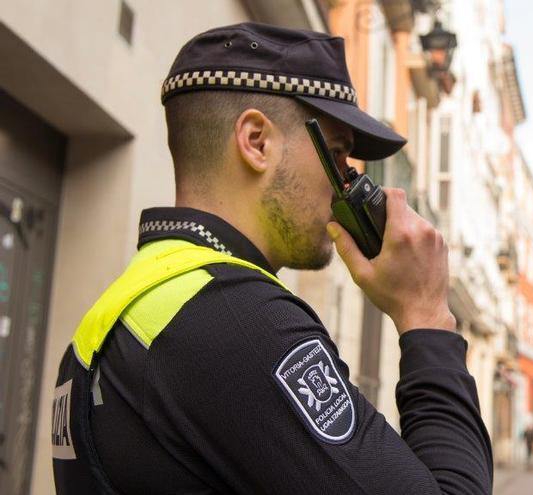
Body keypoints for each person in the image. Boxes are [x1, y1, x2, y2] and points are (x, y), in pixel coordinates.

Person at [51, 23, 492, 494]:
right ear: (257, 142)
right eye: (338, 155)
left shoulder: (125, 311)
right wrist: (426, 316)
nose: (347, 184)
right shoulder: (239, 319)